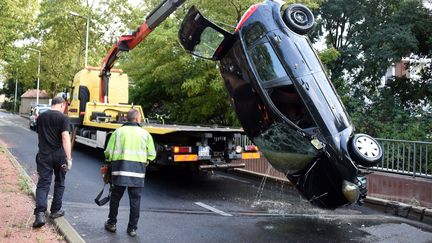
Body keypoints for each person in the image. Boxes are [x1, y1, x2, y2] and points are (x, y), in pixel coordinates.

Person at [104, 109, 156, 237]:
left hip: (119, 170)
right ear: (138, 119)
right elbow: (152, 154)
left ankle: (112, 224)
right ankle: (132, 229)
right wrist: (147, 160)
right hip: (137, 171)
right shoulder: (145, 134)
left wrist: (109, 162)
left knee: (115, 197)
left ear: (126, 119)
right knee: (135, 200)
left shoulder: (118, 132)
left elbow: (108, 152)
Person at [33, 97, 72, 228]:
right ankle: (55, 211)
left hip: (44, 156)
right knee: (60, 182)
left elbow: (40, 135)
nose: (64, 108)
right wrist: (69, 157)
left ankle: (40, 214)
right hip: (60, 156)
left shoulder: (41, 117)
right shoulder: (63, 118)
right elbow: (65, 137)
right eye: (64, 106)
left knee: (43, 184)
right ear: (61, 105)